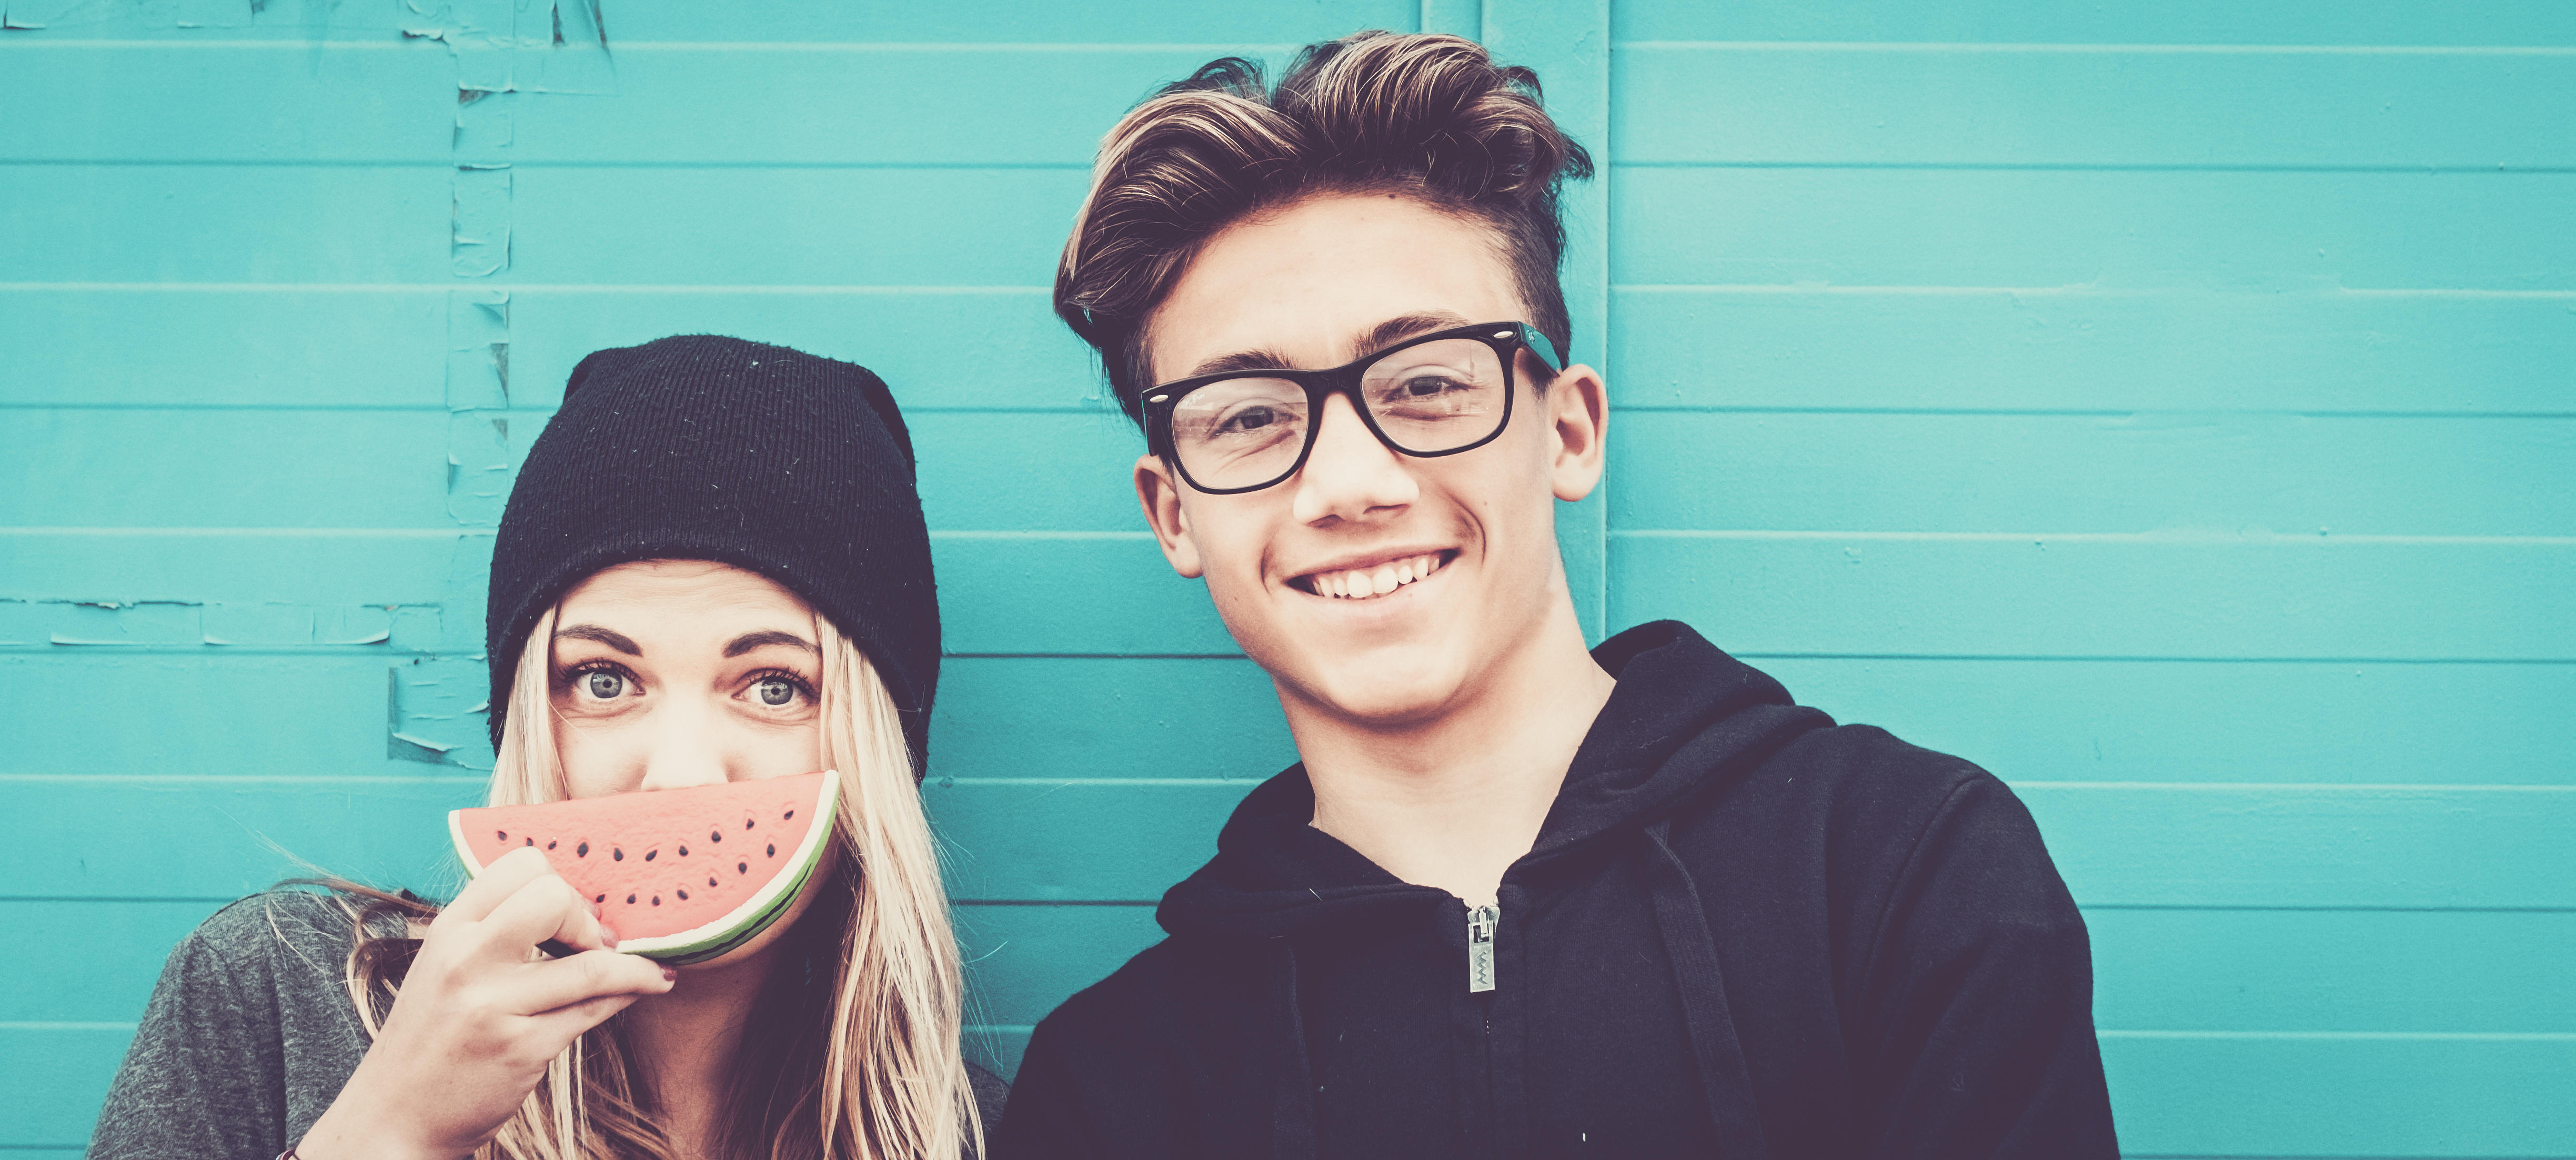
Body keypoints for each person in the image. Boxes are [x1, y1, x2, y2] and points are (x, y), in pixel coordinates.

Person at [994, 32, 2119, 1158]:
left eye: (1428, 382)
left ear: (1569, 431)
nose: (1347, 483)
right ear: (1174, 512)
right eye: (1247, 414)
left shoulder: (1902, 874)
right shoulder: (1114, 1087)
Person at [90, 336, 1005, 1159]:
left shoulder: (972, 1134)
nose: (680, 771)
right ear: (528, 714)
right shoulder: (276, 995)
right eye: (604, 679)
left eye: (775, 685)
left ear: (875, 753)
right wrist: (394, 1131)